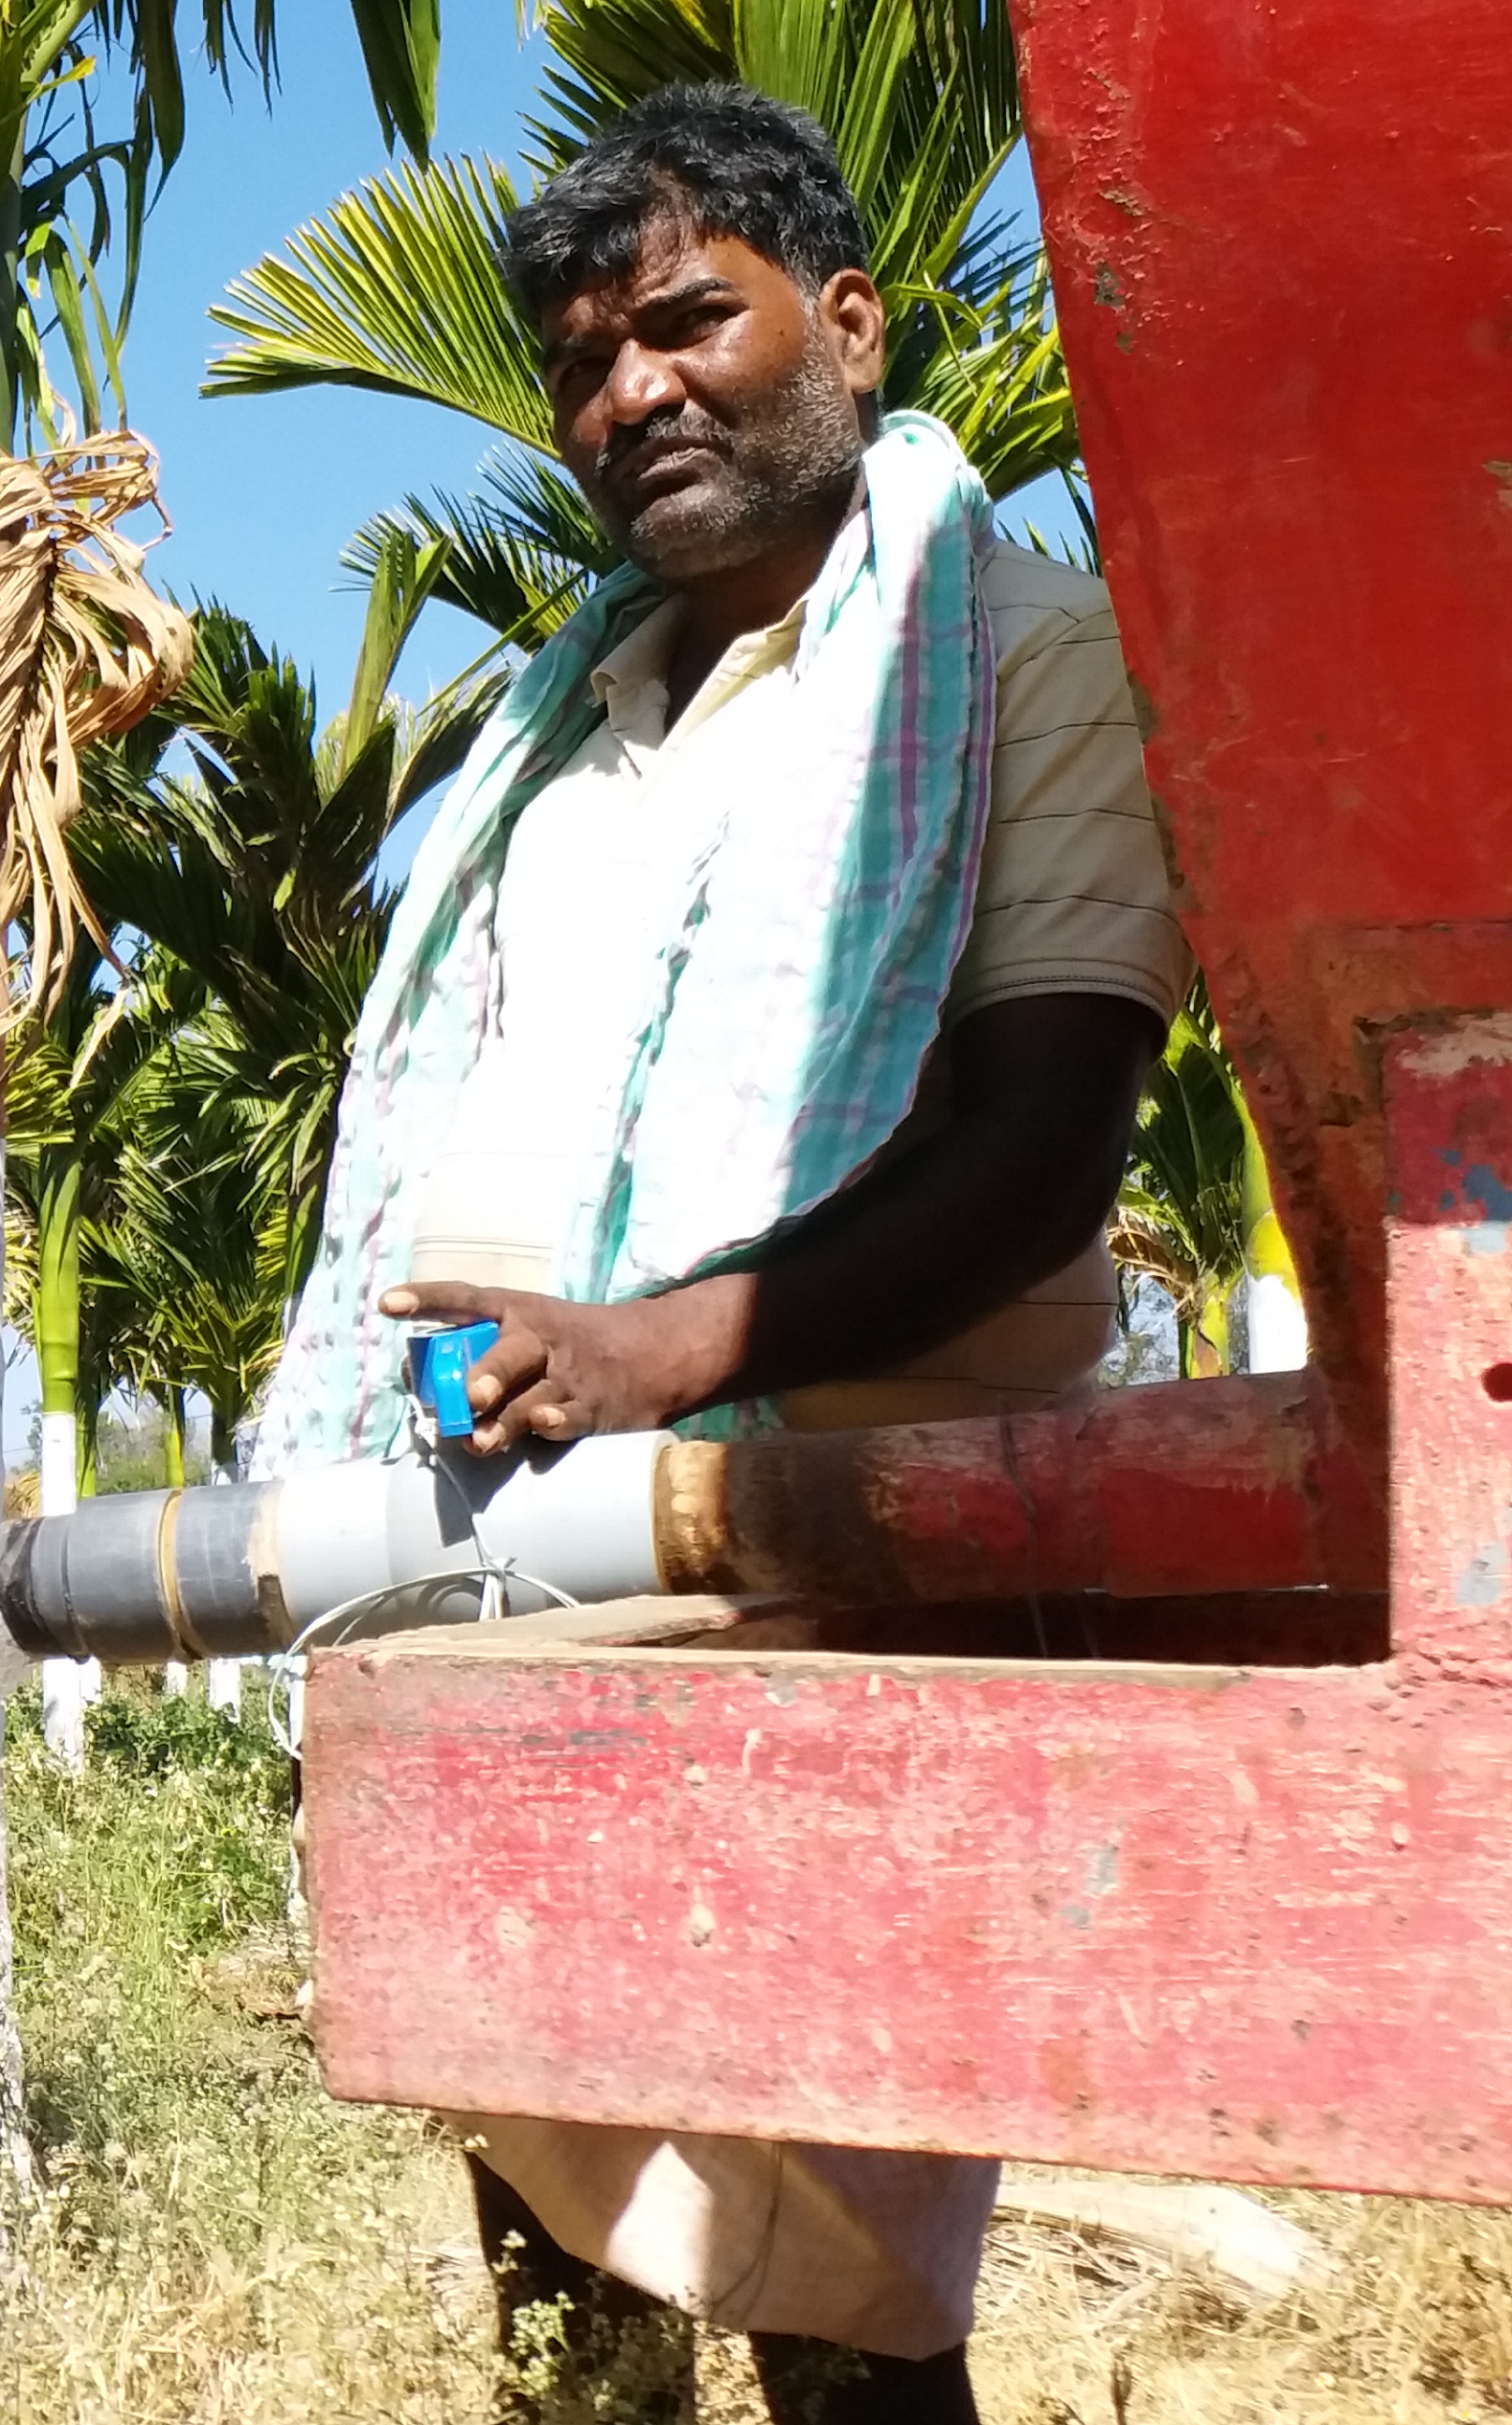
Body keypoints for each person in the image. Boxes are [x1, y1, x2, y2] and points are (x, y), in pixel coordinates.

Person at [252, 86, 1190, 2425]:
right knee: (551, 2263)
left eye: (688, 321)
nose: (630, 392)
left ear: (846, 323)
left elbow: (1042, 1147)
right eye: (583, 361)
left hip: (820, 1547)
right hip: (473, 1553)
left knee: (843, 2286)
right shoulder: (553, 739)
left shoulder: (1022, 659)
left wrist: (661, 1358)